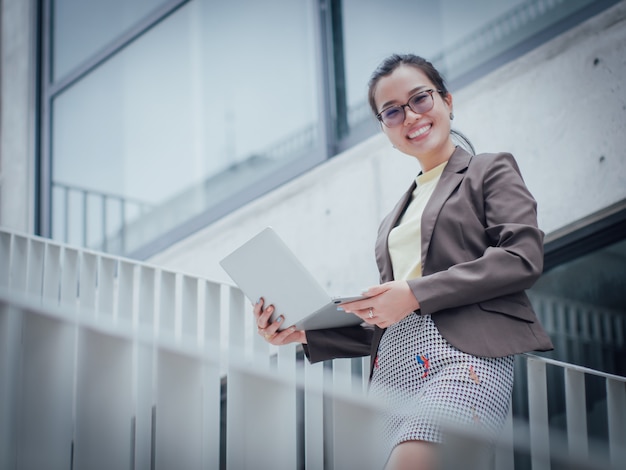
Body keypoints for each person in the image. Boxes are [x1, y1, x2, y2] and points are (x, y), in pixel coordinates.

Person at [253, 53, 553, 470]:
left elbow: (521, 258)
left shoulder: (488, 170)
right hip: (392, 370)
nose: (410, 116)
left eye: (420, 99)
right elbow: (391, 316)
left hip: (463, 359)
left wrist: (414, 292)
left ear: (448, 101)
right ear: (385, 130)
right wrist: (302, 333)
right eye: (392, 111)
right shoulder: (394, 217)